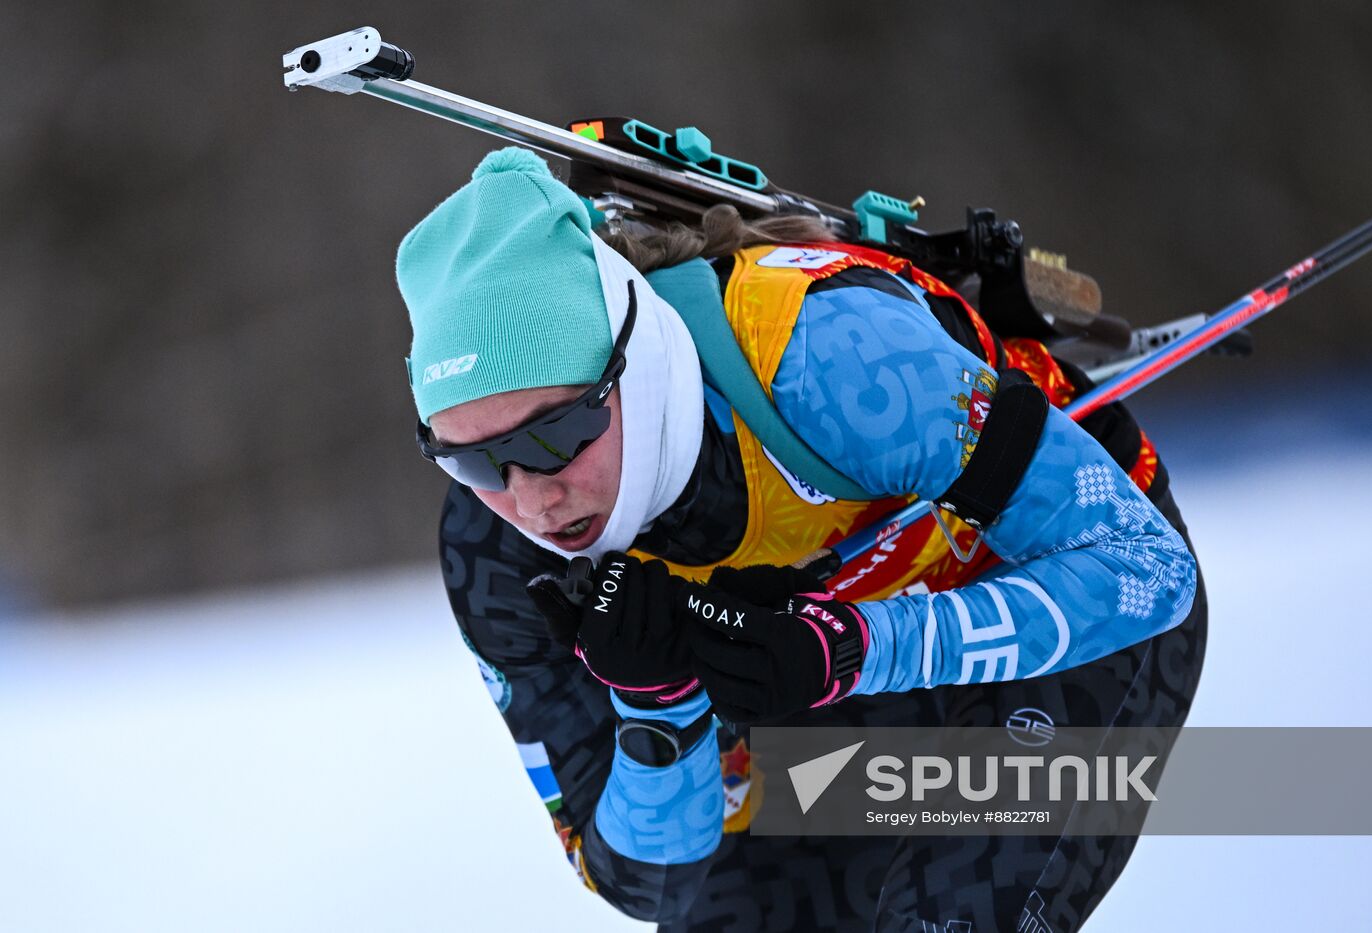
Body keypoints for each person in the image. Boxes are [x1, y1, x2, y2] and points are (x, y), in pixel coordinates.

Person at [396, 146, 1208, 932]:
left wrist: (857, 646)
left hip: (1068, 598)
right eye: (473, 461)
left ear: (632, 362)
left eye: (557, 433)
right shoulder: (495, 554)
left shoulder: (829, 355)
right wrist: (661, 715)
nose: (530, 498)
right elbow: (650, 888)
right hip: (815, 673)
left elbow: (1146, 571)